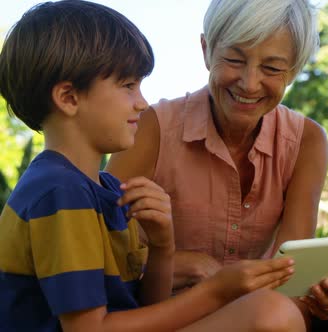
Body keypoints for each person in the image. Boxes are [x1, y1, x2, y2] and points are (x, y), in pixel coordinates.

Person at [0, 1, 304, 331]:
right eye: (128, 86)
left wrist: (162, 247)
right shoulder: (59, 192)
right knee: (271, 315)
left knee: (268, 310)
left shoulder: (107, 189)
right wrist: (217, 291)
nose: (143, 102)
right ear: (69, 98)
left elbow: (147, 309)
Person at [105, 0, 328, 327]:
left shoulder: (307, 142)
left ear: (294, 70)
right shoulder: (152, 128)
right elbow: (100, 255)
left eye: (271, 68)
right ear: (206, 50)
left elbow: (290, 270)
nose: (249, 83)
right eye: (233, 59)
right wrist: (181, 263)